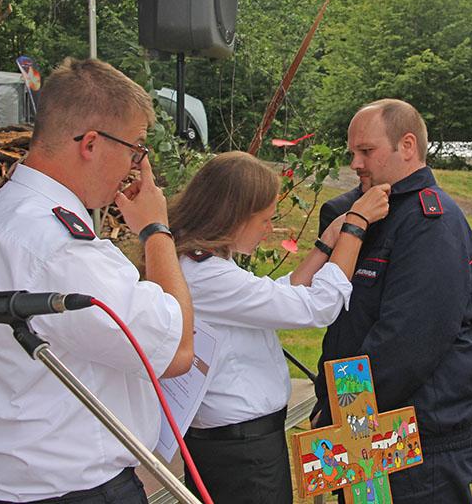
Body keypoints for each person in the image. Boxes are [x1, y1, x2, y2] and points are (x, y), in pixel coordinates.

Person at [0, 58, 195, 503]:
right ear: (92, 144)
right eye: (136, 147)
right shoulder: (60, 243)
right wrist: (157, 230)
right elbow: (176, 352)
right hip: (72, 488)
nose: (136, 165)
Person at [166, 151, 390, 503]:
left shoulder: (201, 263)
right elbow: (319, 307)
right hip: (241, 452)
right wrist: (355, 228)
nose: (269, 229)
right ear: (233, 218)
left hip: (237, 443)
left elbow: (277, 296)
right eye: (264, 220)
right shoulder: (206, 275)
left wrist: (325, 245)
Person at [311, 99, 472, 503]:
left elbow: (406, 343)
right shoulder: (371, 213)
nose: (355, 162)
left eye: (366, 151)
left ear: (407, 146)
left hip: (418, 441)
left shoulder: (429, 222)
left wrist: (340, 409)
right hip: (367, 427)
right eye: (352, 151)